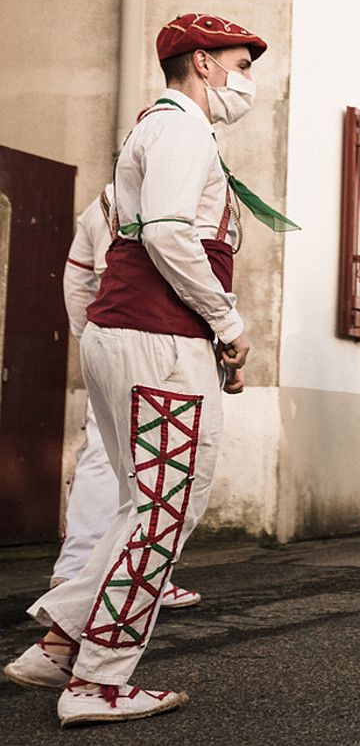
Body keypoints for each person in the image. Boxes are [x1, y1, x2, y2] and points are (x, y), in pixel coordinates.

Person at [5, 13, 295, 726]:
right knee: (168, 506)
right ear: (201, 63)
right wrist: (227, 321)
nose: (246, 80)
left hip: (133, 332)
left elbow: (94, 262)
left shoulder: (161, 130)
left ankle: (61, 644)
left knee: (149, 503)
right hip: (158, 336)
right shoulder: (181, 129)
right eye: (239, 62)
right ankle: (98, 679)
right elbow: (167, 229)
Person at [49, 184, 201, 607]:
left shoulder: (100, 204)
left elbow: (77, 279)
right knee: (159, 461)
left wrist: (89, 336)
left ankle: (75, 569)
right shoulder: (177, 196)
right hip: (161, 338)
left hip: (107, 334)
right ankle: (141, 575)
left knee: (101, 455)